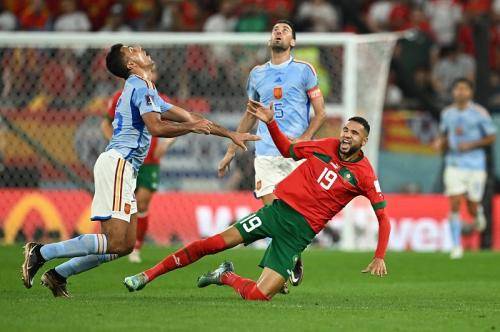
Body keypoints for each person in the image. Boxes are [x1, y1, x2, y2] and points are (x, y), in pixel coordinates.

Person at [21, 44, 259, 297]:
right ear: (131, 65)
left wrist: (230, 134)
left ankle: (58, 274)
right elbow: (157, 127)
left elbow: (190, 116)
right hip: (118, 164)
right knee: (113, 241)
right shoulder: (139, 86)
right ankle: (40, 252)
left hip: (125, 168)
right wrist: (192, 127)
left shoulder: (148, 90)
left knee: (123, 246)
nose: (140, 48)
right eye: (132, 50)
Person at [123, 101, 390, 302]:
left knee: (258, 296)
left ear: (364, 141)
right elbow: (287, 149)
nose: (346, 135)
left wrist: (379, 256)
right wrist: (271, 123)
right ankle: (146, 275)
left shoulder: (365, 175)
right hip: (276, 213)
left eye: (354, 133)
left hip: (298, 236)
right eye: (346, 129)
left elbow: (383, 218)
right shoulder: (326, 145)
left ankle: (225, 275)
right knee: (213, 243)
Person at [218, 19, 326, 288]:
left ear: (293, 42)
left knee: (293, 215)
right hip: (265, 153)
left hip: (294, 155)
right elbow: (249, 115)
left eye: (285, 30)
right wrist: (231, 148)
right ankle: (290, 260)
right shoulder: (256, 74)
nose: (279, 32)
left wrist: (304, 139)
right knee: (275, 214)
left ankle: (288, 258)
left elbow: (321, 113)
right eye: (275, 29)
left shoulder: (304, 71)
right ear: (270, 40)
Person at [101, 85, 175, 263]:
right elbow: (105, 124)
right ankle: (109, 243)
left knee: (141, 203)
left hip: (149, 163)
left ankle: (135, 247)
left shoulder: (158, 98)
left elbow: (174, 124)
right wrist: (116, 144)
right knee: (118, 202)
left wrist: (166, 144)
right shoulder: (119, 96)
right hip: (126, 159)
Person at [434, 78, 496, 259]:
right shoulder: (447, 113)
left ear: (470, 92)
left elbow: (491, 136)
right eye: (458, 89)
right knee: (454, 203)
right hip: (454, 163)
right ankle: (456, 246)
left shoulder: (479, 113)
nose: (460, 92)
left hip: (476, 166)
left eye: (464, 89)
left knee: (471, 206)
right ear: (453, 92)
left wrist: (472, 145)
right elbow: (444, 134)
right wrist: (440, 143)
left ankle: (477, 214)